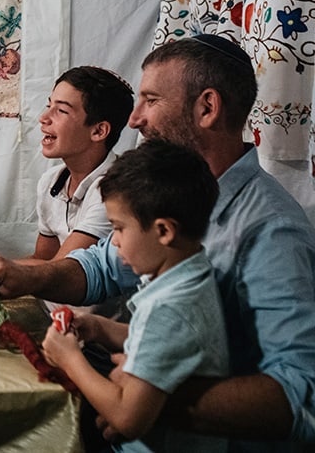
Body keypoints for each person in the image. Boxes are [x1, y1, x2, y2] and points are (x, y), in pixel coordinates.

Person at [0, 34, 315, 450]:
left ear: (207, 108)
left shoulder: (272, 231)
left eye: (151, 100)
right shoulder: (172, 197)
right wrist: (24, 276)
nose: (135, 119)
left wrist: (146, 399)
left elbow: (306, 400)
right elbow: (101, 267)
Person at [42, 139, 228, 453]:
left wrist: (69, 358)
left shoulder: (170, 306)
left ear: (164, 231)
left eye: (119, 228)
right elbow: (165, 341)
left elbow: (128, 417)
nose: (113, 242)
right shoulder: (188, 276)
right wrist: (101, 329)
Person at [25, 66, 133, 263]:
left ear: (99, 131)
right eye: (48, 106)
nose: (43, 118)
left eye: (61, 110)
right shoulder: (51, 181)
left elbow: (56, 272)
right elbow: (42, 259)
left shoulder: (115, 190)